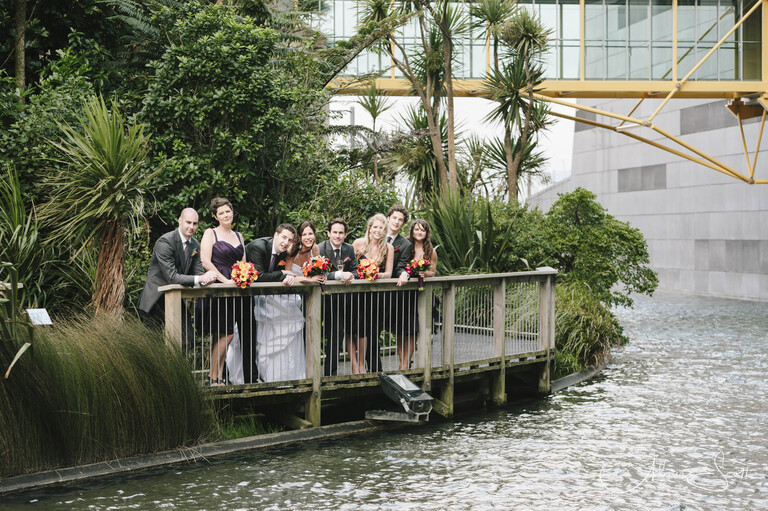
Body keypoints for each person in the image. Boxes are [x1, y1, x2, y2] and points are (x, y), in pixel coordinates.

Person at [255, 222, 326, 382]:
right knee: (280, 330)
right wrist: (309, 279)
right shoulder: (291, 251)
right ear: (299, 238)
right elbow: (287, 274)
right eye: (305, 234)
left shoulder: (316, 250)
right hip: (284, 295)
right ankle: (272, 375)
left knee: (299, 333)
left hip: (303, 297)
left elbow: (318, 272)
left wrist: (321, 276)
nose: (308, 237)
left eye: (311, 234)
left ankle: (301, 375)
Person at [139, 208, 217, 346]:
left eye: (195, 223)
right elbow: (172, 277)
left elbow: (199, 273)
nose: (191, 227)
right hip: (155, 300)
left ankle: (180, 368)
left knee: (188, 339)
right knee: (152, 347)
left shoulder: (194, 244)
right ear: (180, 221)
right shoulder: (165, 242)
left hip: (175, 298)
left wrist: (208, 278)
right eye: (188, 222)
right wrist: (200, 279)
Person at [197, 198, 245, 386]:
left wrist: (243, 277)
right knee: (226, 334)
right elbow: (205, 261)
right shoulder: (211, 233)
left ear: (232, 212)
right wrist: (225, 281)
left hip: (235, 287)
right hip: (218, 286)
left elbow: (243, 263)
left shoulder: (239, 236)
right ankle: (213, 376)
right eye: (222, 213)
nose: (226, 215)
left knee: (224, 334)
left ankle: (218, 376)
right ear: (215, 216)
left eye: (228, 211)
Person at [245, 224, 298, 382]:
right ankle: (248, 377)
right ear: (275, 235)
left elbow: (276, 274)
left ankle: (258, 374)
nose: (285, 242)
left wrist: (287, 276)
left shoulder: (282, 254)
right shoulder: (258, 247)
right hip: (242, 294)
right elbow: (259, 276)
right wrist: (283, 273)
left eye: (289, 240)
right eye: (283, 237)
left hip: (260, 300)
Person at [351, 214, 393, 374]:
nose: (378, 230)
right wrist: (360, 274)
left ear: (385, 230)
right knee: (359, 329)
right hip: (359, 295)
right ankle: (359, 366)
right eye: (375, 227)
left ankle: (375, 369)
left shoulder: (387, 248)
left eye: (381, 228)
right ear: (369, 228)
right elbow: (351, 267)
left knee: (373, 331)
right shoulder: (358, 244)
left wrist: (376, 274)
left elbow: (388, 273)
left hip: (377, 296)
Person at [317, 218, 357, 376]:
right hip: (320, 299)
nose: (338, 236)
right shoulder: (320, 248)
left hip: (340, 301)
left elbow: (355, 271)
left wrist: (350, 276)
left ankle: (330, 375)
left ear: (345, 234)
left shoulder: (349, 249)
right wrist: (340, 274)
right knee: (314, 334)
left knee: (336, 335)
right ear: (328, 233)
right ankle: (309, 373)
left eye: (341, 233)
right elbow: (319, 272)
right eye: (335, 232)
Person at [398, 219, 438, 370]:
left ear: (426, 233)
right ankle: (402, 362)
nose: (419, 232)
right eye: (416, 229)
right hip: (404, 293)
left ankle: (406, 363)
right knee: (401, 329)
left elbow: (433, 271)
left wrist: (423, 273)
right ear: (412, 231)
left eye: (422, 230)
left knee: (413, 329)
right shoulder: (406, 246)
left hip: (421, 294)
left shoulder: (430, 251)